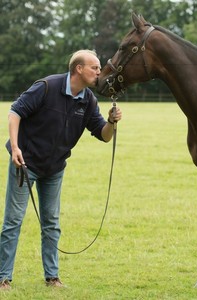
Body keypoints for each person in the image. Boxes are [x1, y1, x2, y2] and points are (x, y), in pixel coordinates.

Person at [0, 49, 122, 290]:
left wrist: (111, 122)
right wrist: (15, 148)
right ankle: (3, 278)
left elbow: (104, 136)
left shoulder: (88, 100)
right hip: (25, 164)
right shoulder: (47, 86)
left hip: (54, 168)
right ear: (79, 69)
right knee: (13, 221)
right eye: (95, 68)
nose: (99, 72)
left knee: (51, 223)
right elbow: (15, 112)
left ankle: (52, 278)